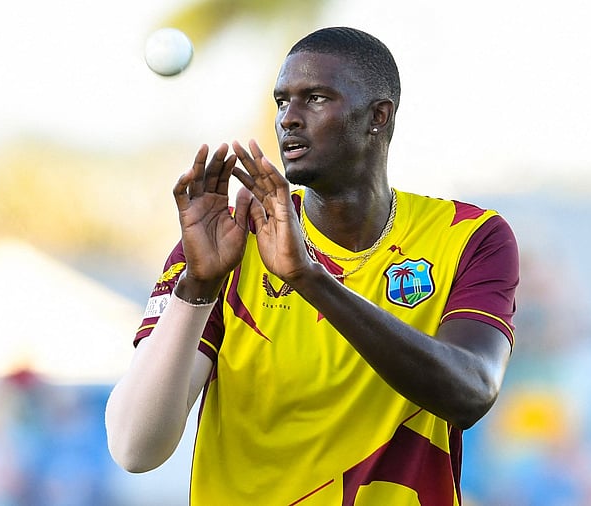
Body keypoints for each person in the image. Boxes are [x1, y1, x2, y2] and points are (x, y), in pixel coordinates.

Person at [106, 26, 518, 505]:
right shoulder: (234, 239)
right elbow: (136, 448)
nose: (289, 119)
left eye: (316, 98)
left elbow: (470, 391)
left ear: (378, 117)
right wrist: (198, 285)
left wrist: (309, 278)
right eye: (282, 101)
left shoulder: (469, 236)